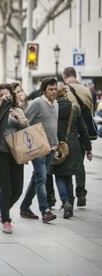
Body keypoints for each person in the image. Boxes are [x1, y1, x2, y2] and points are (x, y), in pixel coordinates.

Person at [0, 83, 29, 234]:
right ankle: (6, 220)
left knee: (17, 190)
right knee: (6, 188)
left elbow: (25, 126)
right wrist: (0, 104)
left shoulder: (18, 109)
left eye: (7, 94)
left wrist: (17, 116)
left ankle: (3, 210)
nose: (5, 96)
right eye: (1, 94)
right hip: (0, 154)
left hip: (17, 154)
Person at [20, 77, 59, 223]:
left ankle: (24, 207)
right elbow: (25, 122)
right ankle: (45, 211)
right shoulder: (36, 103)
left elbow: (54, 126)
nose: (54, 92)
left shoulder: (56, 105)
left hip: (51, 148)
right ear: (44, 90)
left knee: (37, 177)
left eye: (55, 89)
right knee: (42, 178)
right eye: (51, 89)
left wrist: (56, 143)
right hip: (38, 148)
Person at [51, 83, 92, 219]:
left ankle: (65, 202)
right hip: (73, 147)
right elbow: (84, 130)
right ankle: (70, 204)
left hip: (57, 146)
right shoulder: (75, 108)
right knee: (68, 176)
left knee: (59, 176)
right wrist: (89, 148)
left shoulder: (52, 109)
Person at [62, 67, 94, 207]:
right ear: (75, 75)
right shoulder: (86, 90)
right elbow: (90, 113)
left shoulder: (64, 90)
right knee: (80, 165)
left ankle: (68, 197)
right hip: (83, 133)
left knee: (66, 164)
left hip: (68, 133)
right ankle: (81, 193)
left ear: (65, 76)